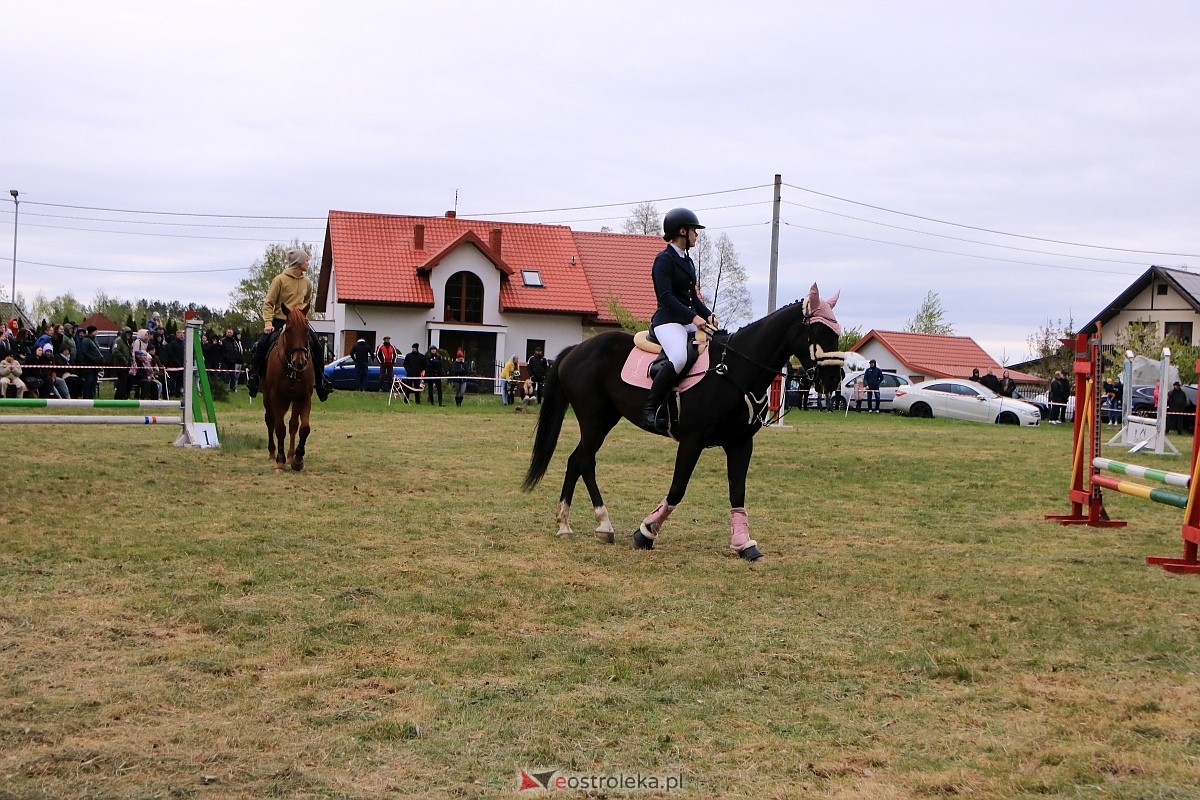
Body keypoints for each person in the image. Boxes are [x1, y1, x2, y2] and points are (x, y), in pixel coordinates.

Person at [642, 207, 716, 432]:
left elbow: (692, 297)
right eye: (694, 230)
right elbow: (666, 297)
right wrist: (694, 317)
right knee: (680, 357)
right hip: (667, 321)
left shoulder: (688, 261)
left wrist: (707, 314)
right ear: (682, 231)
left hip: (686, 319)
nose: (697, 235)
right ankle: (651, 408)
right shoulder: (663, 260)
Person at [247, 248, 333, 401]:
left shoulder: (307, 282)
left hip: (297, 322)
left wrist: (301, 317)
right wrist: (268, 323)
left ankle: (320, 383)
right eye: (306, 260)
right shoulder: (279, 280)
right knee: (261, 344)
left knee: (318, 347)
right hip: (280, 320)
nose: (308, 263)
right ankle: (254, 378)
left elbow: (307, 301)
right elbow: (268, 303)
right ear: (298, 262)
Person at [76, 326, 104, 399]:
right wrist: (93, 359)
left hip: (95, 365)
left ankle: (91, 396)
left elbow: (97, 350)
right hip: (88, 365)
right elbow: (84, 352)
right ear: (91, 331)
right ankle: (86, 396)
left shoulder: (94, 339)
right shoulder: (86, 340)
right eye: (95, 331)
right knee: (88, 381)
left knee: (93, 381)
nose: (96, 332)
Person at [111, 327, 134, 400]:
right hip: (120, 365)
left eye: (130, 333)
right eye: (127, 333)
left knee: (125, 382)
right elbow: (115, 351)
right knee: (122, 382)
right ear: (124, 333)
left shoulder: (126, 342)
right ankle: (121, 397)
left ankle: (119, 396)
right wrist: (123, 359)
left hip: (126, 365)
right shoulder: (118, 341)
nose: (128, 335)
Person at [163, 329, 186, 398]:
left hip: (181, 365)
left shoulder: (183, 344)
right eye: (180, 335)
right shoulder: (173, 344)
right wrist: (176, 362)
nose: (182, 336)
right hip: (174, 365)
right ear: (177, 335)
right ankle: (172, 391)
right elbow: (171, 354)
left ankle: (178, 392)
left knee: (180, 379)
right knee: (173, 379)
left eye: (183, 335)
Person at [221, 327, 244, 393]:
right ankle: (223, 388)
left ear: (232, 333)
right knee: (224, 376)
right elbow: (222, 351)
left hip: (233, 362)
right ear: (226, 333)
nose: (229, 334)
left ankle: (232, 388)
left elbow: (236, 351)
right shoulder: (223, 341)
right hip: (225, 361)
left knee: (233, 376)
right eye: (228, 332)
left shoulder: (234, 341)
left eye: (230, 332)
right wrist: (226, 358)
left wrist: (235, 359)